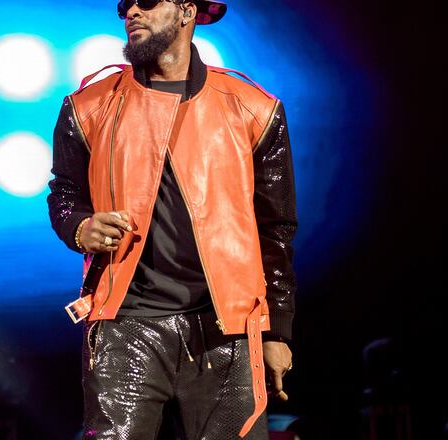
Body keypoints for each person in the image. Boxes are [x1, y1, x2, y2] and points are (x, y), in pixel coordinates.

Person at [47, 0, 298, 438]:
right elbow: (64, 193)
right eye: (125, 4)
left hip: (229, 329)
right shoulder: (88, 105)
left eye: (146, 1)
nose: (131, 12)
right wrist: (79, 226)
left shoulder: (253, 108)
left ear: (186, 10)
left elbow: (275, 228)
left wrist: (277, 330)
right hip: (125, 325)